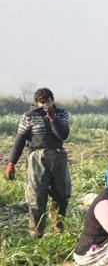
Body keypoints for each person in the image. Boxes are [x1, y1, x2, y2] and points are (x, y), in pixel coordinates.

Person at [5, 88, 71, 238]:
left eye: (48, 101)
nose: (45, 104)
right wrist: (11, 163)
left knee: (62, 194)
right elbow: (19, 141)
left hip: (58, 156)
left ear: (52, 100)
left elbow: (63, 134)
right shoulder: (28, 117)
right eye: (42, 102)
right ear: (37, 103)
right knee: (37, 195)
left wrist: (52, 116)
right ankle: (37, 232)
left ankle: (58, 226)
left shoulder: (61, 114)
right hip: (37, 159)